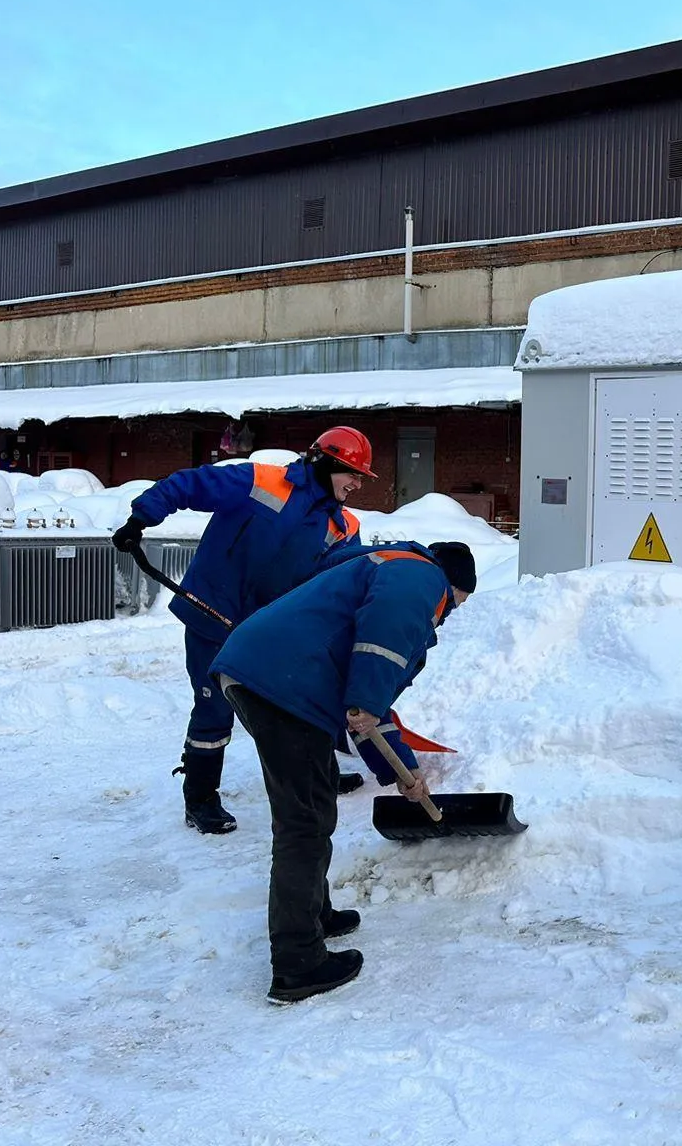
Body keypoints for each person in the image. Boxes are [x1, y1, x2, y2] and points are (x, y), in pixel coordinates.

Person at [211, 539, 478, 1003]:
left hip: (278, 676)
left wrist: (403, 772)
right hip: (283, 682)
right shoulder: (419, 575)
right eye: (458, 601)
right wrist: (367, 703)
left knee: (313, 809)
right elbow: (380, 649)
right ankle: (297, 964)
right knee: (304, 823)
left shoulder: (389, 570)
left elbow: (373, 711)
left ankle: (315, 914)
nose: (450, 612)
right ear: (453, 583)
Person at [111, 427, 375, 834]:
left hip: (268, 631)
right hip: (211, 616)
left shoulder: (345, 527)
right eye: (352, 474)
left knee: (299, 702)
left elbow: (336, 581)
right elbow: (188, 484)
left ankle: (314, 772)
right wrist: (140, 518)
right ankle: (200, 798)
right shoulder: (258, 481)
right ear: (325, 463)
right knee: (214, 705)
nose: (357, 484)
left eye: (361, 477)